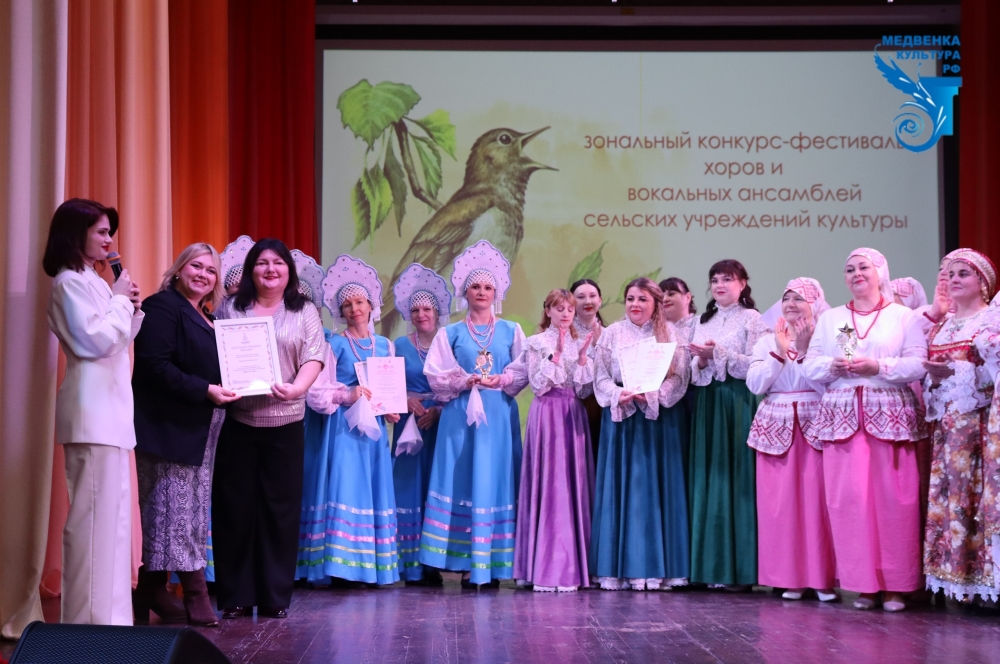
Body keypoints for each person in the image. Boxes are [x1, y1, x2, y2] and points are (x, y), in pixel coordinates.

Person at [805, 247, 928, 612]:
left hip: (889, 415)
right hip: (843, 415)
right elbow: (811, 364)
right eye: (850, 269)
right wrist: (833, 366)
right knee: (850, 501)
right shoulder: (833, 318)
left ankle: (896, 585)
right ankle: (864, 584)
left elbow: (918, 362)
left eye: (863, 267)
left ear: (880, 273)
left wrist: (879, 367)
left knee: (895, 501)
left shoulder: (903, 315)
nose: (856, 273)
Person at [212, 238, 325, 619]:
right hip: (239, 421)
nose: (270, 269)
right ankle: (236, 595)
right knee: (235, 510)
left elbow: (314, 356)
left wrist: (297, 388)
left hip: (286, 421)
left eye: (278, 262)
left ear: (289, 271)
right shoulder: (230, 307)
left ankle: (275, 595)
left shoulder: (304, 310)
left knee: (280, 511)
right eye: (262, 263)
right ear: (250, 270)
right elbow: (215, 353)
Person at [43, 198, 143, 625]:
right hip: (92, 415)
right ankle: (86, 626)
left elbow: (117, 340)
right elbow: (94, 342)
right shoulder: (68, 283)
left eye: (109, 232)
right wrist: (119, 302)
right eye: (101, 231)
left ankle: (112, 623)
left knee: (114, 525)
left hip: (112, 415)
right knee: (92, 525)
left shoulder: (95, 281)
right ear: (76, 233)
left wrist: (130, 307)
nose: (108, 240)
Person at [132, 243, 239, 626]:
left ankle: (149, 589)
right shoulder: (162, 306)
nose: (203, 275)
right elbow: (153, 366)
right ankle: (195, 593)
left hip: (200, 429)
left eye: (211, 270)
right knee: (173, 514)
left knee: (184, 513)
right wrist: (205, 390)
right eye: (196, 266)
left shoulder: (206, 316)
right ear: (178, 269)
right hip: (168, 429)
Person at [420, 240, 529, 588]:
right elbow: (436, 374)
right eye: (475, 286)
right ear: (465, 292)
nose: (481, 292)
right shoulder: (449, 332)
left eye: (487, 287)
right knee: (461, 479)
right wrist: (462, 379)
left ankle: (492, 563)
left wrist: (503, 378)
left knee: (494, 479)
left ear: (496, 293)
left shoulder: (512, 330)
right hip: (460, 415)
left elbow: (524, 368)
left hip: (497, 415)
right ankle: (462, 561)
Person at [296, 255, 402, 586]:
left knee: (371, 487)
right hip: (343, 428)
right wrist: (347, 394)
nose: (354, 309)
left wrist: (391, 408)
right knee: (345, 487)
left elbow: (388, 388)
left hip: (373, 432)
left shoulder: (385, 345)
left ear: (371, 306)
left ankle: (368, 565)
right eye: (347, 304)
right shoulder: (335, 344)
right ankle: (342, 567)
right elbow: (317, 390)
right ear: (340, 311)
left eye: (359, 302)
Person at [590, 278, 690, 591]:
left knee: (655, 491)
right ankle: (617, 569)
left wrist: (655, 395)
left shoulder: (670, 334)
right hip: (622, 420)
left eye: (642, 299)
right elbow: (600, 377)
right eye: (631, 298)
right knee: (622, 489)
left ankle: (659, 568)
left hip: (657, 421)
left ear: (655, 303)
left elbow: (680, 378)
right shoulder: (612, 333)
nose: (635, 304)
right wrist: (616, 394)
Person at [746, 278, 837, 602]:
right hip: (775, 424)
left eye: (800, 298)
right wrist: (779, 353)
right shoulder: (766, 340)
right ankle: (790, 578)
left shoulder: (830, 336)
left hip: (817, 422)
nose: (791, 304)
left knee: (818, 504)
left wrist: (808, 350)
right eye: (787, 298)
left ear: (815, 303)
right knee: (780, 506)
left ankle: (822, 578)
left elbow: (834, 381)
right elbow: (755, 385)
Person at [921, 250, 1000, 603]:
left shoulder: (991, 321)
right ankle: (956, 581)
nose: (953, 279)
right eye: (950, 274)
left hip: (980, 426)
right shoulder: (943, 324)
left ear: (982, 283)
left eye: (963, 273)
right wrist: (936, 378)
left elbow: (993, 376)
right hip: (947, 426)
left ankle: (985, 583)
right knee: (950, 496)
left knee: (977, 497)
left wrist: (959, 371)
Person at [687, 259, 769, 591]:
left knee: (736, 479)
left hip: (737, 402)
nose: (720, 285)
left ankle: (740, 571)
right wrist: (700, 359)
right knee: (708, 479)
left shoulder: (753, 319)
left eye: (727, 279)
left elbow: (756, 365)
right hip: (707, 402)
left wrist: (718, 353)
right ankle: (709, 568)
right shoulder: (701, 320)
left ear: (743, 283)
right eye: (715, 280)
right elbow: (693, 366)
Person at [514, 289, 595, 592]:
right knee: (550, 484)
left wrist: (583, 360)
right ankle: (545, 566)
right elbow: (537, 385)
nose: (565, 314)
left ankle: (575, 566)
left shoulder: (579, 341)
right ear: (547, 310)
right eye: (559, 308)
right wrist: (557, 354)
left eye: (570, 309)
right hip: (547, 414)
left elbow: (584, 390)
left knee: (573, 485)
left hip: (572, 413)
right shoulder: (536, 342)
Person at [389, 264, 452, 586]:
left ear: (438, 312)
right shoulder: (398, 345)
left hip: (441, 424)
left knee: (436, 486)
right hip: (408, 424)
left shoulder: (450, 342)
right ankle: (409, 564)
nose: (421, 314)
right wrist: (405, 400)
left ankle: (433, 563)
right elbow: (386, 386)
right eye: (415, 309)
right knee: (407, 487)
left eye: (427, 308)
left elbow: (458, 384)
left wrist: (439, 410)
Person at [571, 278, 605, 459]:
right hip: (572, 407)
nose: (588, 301)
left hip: (604, 408)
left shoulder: (610, 333)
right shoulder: (563, 335)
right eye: (581, 297)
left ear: (600, 300)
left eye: (592, 296)